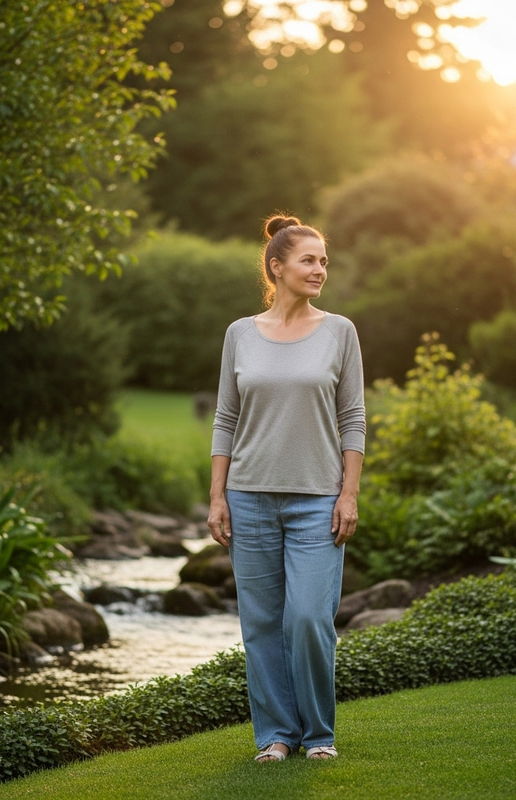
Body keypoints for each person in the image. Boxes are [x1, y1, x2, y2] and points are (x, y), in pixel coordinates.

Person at [207, 214, 366, 763]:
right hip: (248, 497)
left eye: (324, 260)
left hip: (317, 500)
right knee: (262, 625)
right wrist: (217, 496)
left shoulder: (340, 331)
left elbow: (354, 419)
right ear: (277, 267)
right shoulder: (239, 334)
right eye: (309, 260)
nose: (320, 269)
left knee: (307, 619)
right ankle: (275, 736)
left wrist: (349, 494)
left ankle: (318, 735)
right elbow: (225, 418)